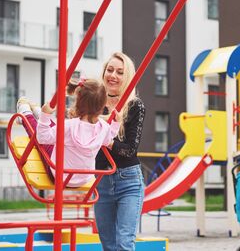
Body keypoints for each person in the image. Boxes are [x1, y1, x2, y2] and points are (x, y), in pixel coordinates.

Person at [17, 78, 120, 187]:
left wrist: (44, 115)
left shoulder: (69, 125)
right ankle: (37, 111)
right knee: (57, 132)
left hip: (59, 176)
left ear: (78, 102)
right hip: (84, 179)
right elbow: (108, 139)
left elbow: (42, 137)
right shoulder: (104, 128)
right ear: (103, 104)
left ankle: (25, 113)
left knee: (45, 136)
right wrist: (115, 124)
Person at [94, 52, 146, 251]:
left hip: (128, 181)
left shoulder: (134, 105)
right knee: (108, 245)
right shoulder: (94, 103)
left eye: (119, 72)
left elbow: (130, 149)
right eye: (110, 70)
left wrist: (104, 138)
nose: (113, 75)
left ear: (127, 77)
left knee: (124, 243)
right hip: (101, 181)